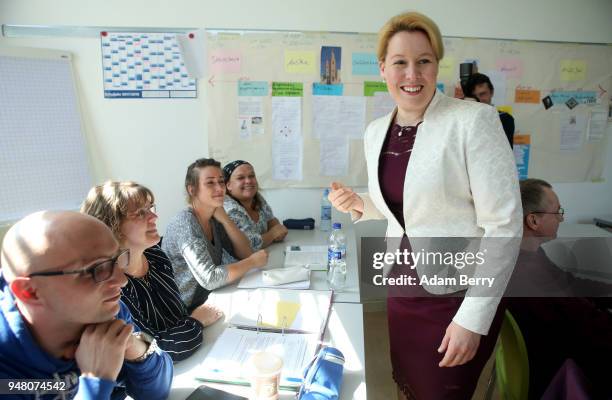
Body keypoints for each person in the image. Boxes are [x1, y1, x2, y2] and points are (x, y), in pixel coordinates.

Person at [328, 11, 522, 399]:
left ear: (437, 65)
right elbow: (405, 207)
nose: (412, 74)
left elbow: (504, 226)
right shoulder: (375, 131)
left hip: (457, 295)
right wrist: (359, 203)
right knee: (410, 386)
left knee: (444, 391)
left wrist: (472, 319)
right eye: (400, 62)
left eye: (424, 61)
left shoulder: (473, 121)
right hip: (403, 287)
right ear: (383, 68)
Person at [0, 211, 173, 400]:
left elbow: (156, 394)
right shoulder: (7, 371)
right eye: (97, 268)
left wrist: (132, 346)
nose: (122, 281)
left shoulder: (102, 311)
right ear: (29, 292)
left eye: (117, 260)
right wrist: (96, 380)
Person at [81, 181, 223, 362]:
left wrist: (193, 320)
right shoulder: (112, 286)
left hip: (197, 358)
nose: (154, 216)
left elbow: (177, 315)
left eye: (150, 208)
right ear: (112, 226)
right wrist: (196, 322)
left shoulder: (155, 254)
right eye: (140, 213)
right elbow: (156, 350)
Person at [506, 178, 612, 399]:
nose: (562, 218)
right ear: (533, 220)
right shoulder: (529, 275)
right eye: (557, 212)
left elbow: (569, 281)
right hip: (561, 367)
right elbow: (589, 324)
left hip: (553, 351)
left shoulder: (522, 255)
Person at [163, 158, 268, 310]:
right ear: (192, 190)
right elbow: (210, 278)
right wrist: (252, 262)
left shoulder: (214, 216)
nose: (220, 188)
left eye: (221, 182)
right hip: (185, 311)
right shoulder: (185, 223)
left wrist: (226, 220)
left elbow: (246, 253)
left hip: (210, 299)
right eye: (210, 183)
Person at [222, 160, 288, 250]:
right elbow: (250, 245)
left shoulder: (257, 197)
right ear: (228, 185)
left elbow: (273, 222)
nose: (248, 181)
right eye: (240, 178)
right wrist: (272, 234)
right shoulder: (230, 209)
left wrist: (276, 231)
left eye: (251, 176)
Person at [464, 72, 515, 147]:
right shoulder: (464, 119)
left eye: (483, 94)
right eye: (474, 96)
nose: (479, 99)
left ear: (492, 92)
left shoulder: (504, 119)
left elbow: (504, 152)